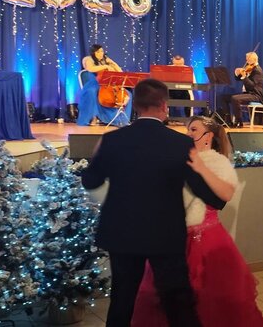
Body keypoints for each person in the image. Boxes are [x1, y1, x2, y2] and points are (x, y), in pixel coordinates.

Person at [81, 79, 226, 327]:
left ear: (135, 105)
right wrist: (219, 197)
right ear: (164, 105)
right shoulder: (180, 143)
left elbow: (91, 181)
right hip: (165, 234)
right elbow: (200, 188)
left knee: (122, 300)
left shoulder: (112, 140)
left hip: (122, 232)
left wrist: (96, 156)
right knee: (178, 302)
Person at [131, 116, 263, 327]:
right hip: (173, 237)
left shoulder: (218, 162)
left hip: (205, 239)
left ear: (208, 137)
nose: (188, 134)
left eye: (194, 130)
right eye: (188, 130)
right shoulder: (177, 159)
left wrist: (200, 168)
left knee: (210, 299)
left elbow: (226, 194)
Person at [77, 44, 133, 127]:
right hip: (94, 83)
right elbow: (90, 69)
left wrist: (113, 63)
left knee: (128, 94)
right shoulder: (88, 59)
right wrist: (105, 66)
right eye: (98, 52)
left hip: (108, 84)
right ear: (93, 52)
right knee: (92, 92)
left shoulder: (106, 60)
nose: (100, 53)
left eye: (102, 51)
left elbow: (120, 71)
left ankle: (121, 119)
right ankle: (93, 117)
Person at [221, 51, 263, 128]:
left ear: (254, 60)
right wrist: (237, 73)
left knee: (235, 99)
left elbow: (252, 86)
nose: (247, 61)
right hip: (248, 93)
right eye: (246, 59)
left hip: (255, 95)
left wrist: (244, 76)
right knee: (224, 97)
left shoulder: (258, 71)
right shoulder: (249, 69)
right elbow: (238, 79)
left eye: (249, 59)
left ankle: (239, 122)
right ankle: (228, 121)